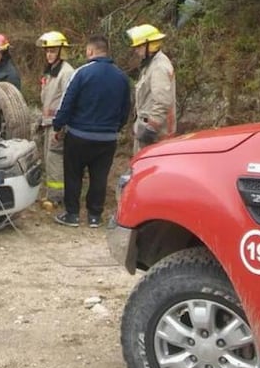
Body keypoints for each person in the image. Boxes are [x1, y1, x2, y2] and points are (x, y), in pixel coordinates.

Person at [52, 34, 131, 228]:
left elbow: (67, 102)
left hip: (79, 135)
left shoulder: (81, 73)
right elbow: (126, 108)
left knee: (73, 174)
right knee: (99, 177)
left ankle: (72, 214)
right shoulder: (122, 77)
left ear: (90, 51)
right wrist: (116, 128)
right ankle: (95, 216)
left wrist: (58, 125)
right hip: (107, 139)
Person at [36, 31, 75, 207]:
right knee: (49, 159)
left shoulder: (66, 72)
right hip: (48, 123)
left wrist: (62, 127)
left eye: (52, 50)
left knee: (55, 160)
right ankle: (53, 195)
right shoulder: (51, 71)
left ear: (61, 51)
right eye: (47, 51)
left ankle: (56, 197)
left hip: (58, 126)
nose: (49, 54)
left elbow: (69, 101)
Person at [126, 24, 177, 154]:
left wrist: (151, 128)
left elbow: (163, 102)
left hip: (156, 134)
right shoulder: (150, 64)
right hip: (146, 127)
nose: (136, 50)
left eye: (139, 47)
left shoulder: (159, 67)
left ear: (148, 45)